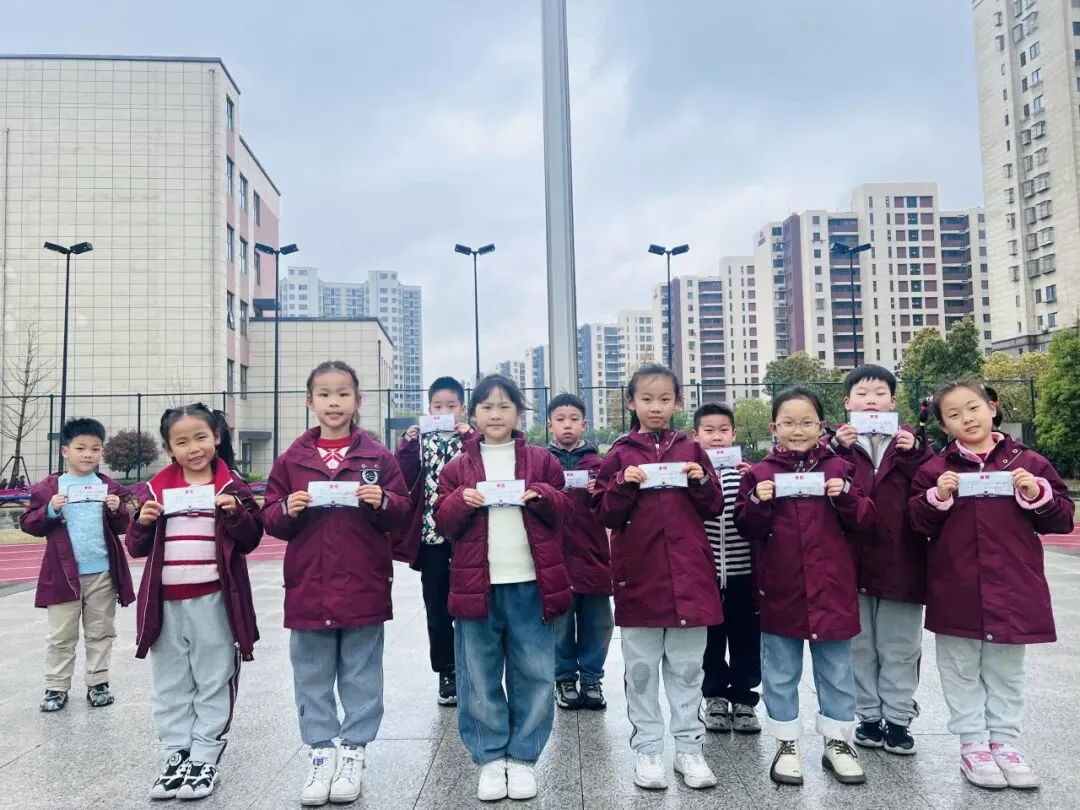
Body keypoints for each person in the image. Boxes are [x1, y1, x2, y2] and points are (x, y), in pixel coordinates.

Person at [909, 380, 1074, 790]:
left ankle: (1005, 743)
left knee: (1006, 671)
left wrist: (1035, 493)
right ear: (944, 425)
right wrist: (937, 497)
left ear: (992, 408)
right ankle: (973, 745)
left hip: (1013, 587)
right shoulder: (935, 470)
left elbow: (1061, 519)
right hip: (956, 588)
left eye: (973, 408)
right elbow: (916, 523)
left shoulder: (1028, 462)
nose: (967, 419)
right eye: (954, 414)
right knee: (960, 669)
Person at [262, 361, 411, 807]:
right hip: (309, 587)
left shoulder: (378, 458)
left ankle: (353, 751)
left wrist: (382, 501)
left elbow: (402, 510)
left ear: (357, 401)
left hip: (363, 584)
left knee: (362, 673)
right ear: (310, 402)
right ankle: (321, 751)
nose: (334, 402)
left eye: (343, 394)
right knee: (311, 673)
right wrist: (287, 509)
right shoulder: (292, 460)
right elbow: (270, 516)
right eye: (324, 394)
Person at [434, 374, 571, 803]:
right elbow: (442, 520)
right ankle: (490, 758)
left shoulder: (541, 460)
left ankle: (524, 757)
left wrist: (542, 495)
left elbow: (563, 510)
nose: (496, 414)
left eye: (505, 406)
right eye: (487, 407)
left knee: (535, 672)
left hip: (531, 583)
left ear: (518, 413)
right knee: (478, 676)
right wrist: (461, 500)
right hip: (477, 588)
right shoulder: (457, 466)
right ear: (473, 413)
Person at [734, 386, 875, 787]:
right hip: (782, 589)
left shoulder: (841, 468)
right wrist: (757, 501)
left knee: (837, 671)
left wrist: (845, 497)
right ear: (774, 427)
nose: (798, 430)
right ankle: (786, 744)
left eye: (807, 422)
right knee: (780, 672)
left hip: (832, 590)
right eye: (789, 423)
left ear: (821, 425)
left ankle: (838, 743)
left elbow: (865, 519)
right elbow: (746, 527)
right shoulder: (760, 473)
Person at [593, 364, 724, 792]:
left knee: (687, 670)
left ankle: (689, 748)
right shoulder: (619, 454)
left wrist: (701, 481)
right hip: (639, 579)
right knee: (641, 671)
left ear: (677, 402)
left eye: (665, 399)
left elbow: (714, 506)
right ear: (631, 402)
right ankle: (648, 749)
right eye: (646, 399)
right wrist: (622, 484)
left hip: (690, 580)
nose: (656, 407)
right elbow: (604, 513)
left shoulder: (692, 449)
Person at [127, 405, 262, 801]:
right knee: (169, 683)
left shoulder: (231, 486)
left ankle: (204, 757)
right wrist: (142, 521)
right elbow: (136, 547)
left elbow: (252, 538)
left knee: (213, 679)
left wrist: (235, 514)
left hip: (214, 601)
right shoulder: (155, 489)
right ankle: (176, 755)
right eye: (182, 442)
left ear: (216, 437)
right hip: (165, 605)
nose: (194, 448)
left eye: (201, 437)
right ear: (169, 448)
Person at [830, 365, 934, 755]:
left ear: (892, 401)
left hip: (901, 560)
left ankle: (899, 719)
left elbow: (931, 488)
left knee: (900, 646)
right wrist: (836, 450)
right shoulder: (834, 446)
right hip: (849, 562)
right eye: (861, 393)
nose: (870, 400)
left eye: (879, 394)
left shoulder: (913, 446)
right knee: (858, 645)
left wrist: (916, 454)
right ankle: (869, 717)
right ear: (847, 402)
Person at [20, 418, 135, 713]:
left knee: (101, 632)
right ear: (65, 451)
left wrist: (117, 510)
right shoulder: (49, 488)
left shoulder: (108, 486)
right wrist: (50, 509)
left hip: (102, 573)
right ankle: (56, 687)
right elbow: (30, 523)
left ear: (102, 452)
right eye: (81, 448)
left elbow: (123, 526)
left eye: (95, 449)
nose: (88, 454)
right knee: (61, 635)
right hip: (62, 574)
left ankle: (98, 683)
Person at [395, 376, 473, 707]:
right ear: (428, 409)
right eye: (438, 406)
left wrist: (471, 438)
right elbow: (401, 477)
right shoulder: (418, 442)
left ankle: (474, 668)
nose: (444, 411)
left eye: (451, 406)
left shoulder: (471, 439)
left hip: (470, 535)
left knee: (474, 604)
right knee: (437, 609)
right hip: (432, 537)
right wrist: (407, 443)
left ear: (462, 409)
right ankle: (447, 671)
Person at [691, 402, 760, 735]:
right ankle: (715, 697)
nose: (716, 437)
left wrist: (754, 481)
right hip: (705, 577)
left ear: (734, 434)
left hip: (743, 573)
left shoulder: (748, 474)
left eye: (723, 430)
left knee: (746, 639)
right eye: (709, 431)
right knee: (711, 641)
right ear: (696, 436)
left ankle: (745, 699)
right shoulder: (692, 476)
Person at [545, 392, 613, 711]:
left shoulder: (599, 465)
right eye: (560, 420)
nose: (567, 425)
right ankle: (564, 679)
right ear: (550, 425)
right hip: (554, 556)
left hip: (593, 555)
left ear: (584, 424)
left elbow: (613, 507)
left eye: (574, 419)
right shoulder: (542, 463)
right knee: (558, 624)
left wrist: (601, 492)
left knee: (598, 623)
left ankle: (591, 678)